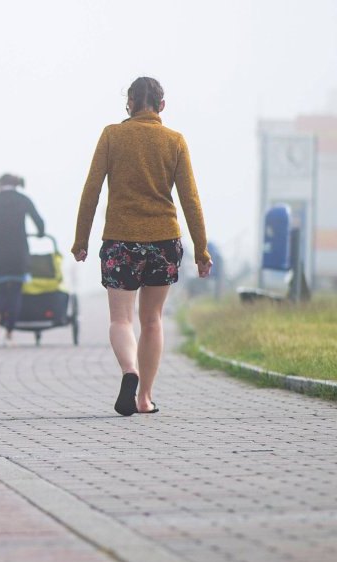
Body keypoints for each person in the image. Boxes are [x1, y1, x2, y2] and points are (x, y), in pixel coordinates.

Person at [72, 76, 210, 416]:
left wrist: (81, 239)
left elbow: (91, 190)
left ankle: (129, 371)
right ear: (161, 106)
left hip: (120, 240)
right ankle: (144, 398)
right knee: (152, 320)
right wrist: (202, 250)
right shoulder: (174, 141)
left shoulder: (112, 135)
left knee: (121, 320)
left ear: (129, 103)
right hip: (163, 241)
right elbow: (190, 200)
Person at [0, 174, 45, 344]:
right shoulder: (23, 200)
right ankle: (9, 332)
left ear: (0, 184)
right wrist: (40, 233)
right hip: (18, 255)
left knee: (1, 290)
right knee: (15, 292)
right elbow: (39, 223)